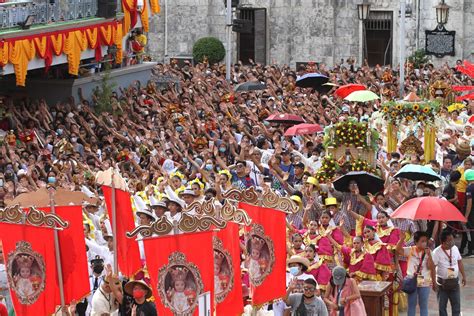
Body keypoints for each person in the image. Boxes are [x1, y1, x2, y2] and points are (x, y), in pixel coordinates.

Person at [396, 231, 435, 316]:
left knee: (423, 305)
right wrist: (401, 239)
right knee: (411, 305)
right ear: (416, 242)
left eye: (426, 241)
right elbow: (398, 250)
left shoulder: (429, 252)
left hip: (425, 282)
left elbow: (430, 267)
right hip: (412, 282)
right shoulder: (411, 250)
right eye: (422, 241)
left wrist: (429, 255)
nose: (425, 243)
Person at [432, 230, 467, 316]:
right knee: (442, 307)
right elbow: (432, 268)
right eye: (450, 240)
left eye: (452, 239)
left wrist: (464, 276)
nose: (452, 242)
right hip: (441, 284)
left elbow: (459, 262)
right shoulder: (436, 252)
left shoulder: (454, 248)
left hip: (454, 282)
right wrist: (433, 282)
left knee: (456, 305)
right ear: (443, 242)